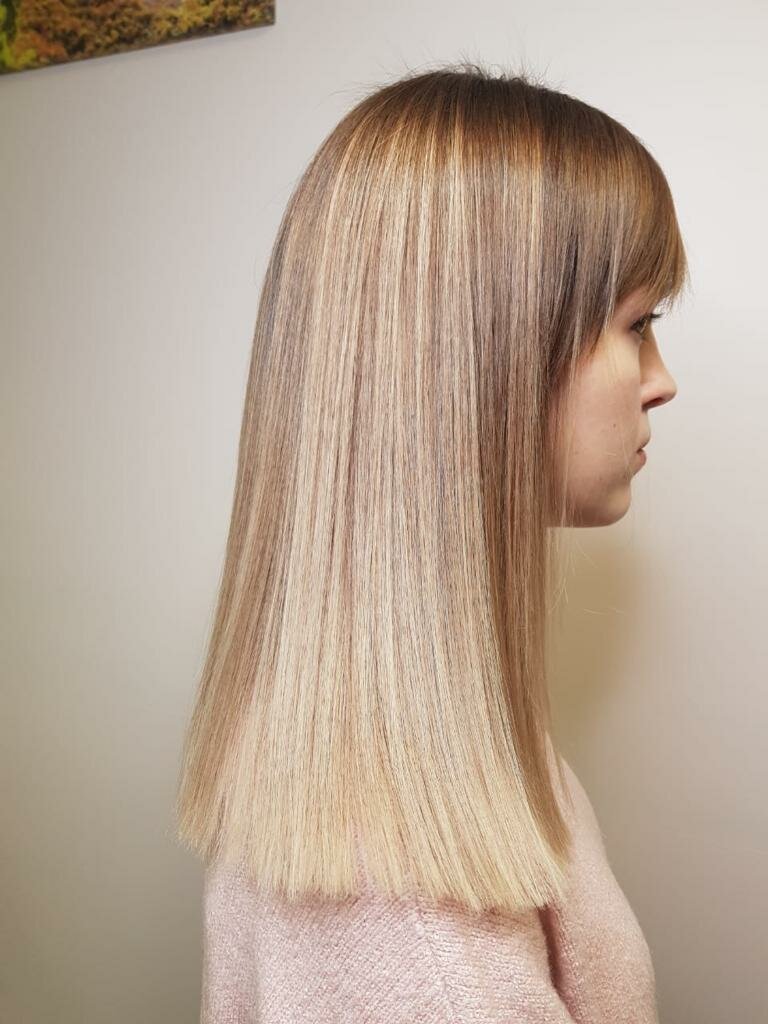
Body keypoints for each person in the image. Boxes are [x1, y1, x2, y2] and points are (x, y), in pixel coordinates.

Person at [173, 61, 689, 1023]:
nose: (660, 381)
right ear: (489, 353)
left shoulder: (417, 745)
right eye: (638, 323)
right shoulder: (407, 922)